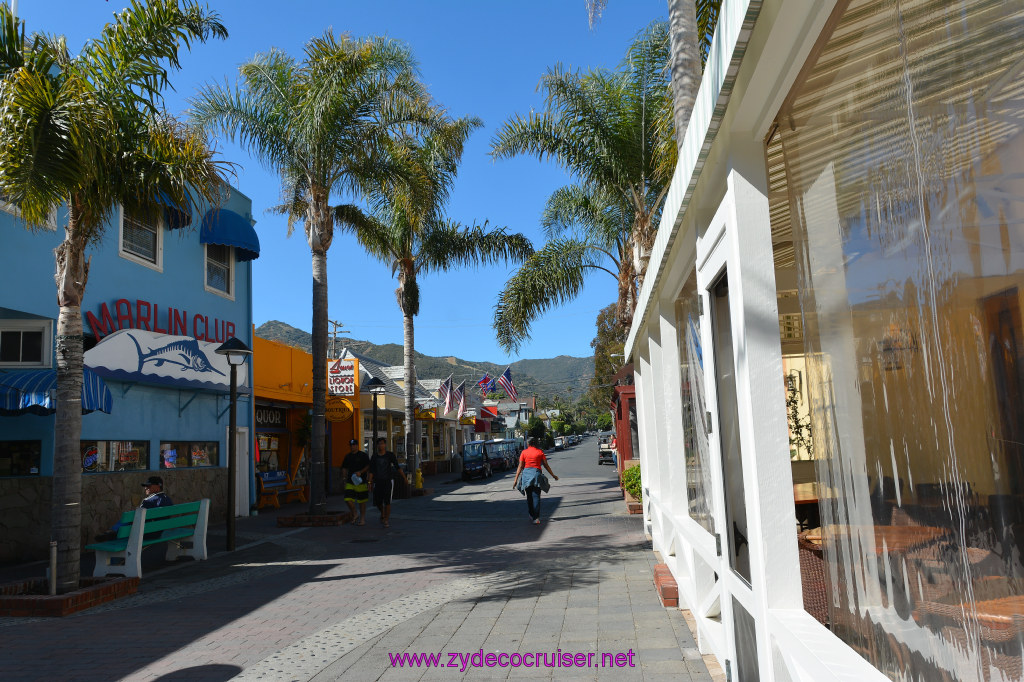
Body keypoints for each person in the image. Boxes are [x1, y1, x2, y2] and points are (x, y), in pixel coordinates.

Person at [511, 438, 558, 525]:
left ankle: (531, 514)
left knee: (529, 497)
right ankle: (536, 518)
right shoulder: (540, 452)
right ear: (535, 443)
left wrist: (515, 480)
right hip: (536, 475)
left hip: (526, 476)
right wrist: (553, 475)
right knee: (536, 497)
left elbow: (520, 466)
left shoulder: (524, 452)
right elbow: (546, 465)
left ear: (528, 444)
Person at [368, 437, 401, 528]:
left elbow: (397, 467)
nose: (381, 445)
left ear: (385, 445)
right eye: (379, 444)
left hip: (388, 481)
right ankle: (382, 512)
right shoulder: (374, 457)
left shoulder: (389, 455)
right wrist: (369, 482)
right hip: (377, 482)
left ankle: (386, 519)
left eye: (382, 443)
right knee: (378, 502)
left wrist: (404, 478)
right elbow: (371, 470)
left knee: (387, 501)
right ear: (377, 445)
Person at [341, 438, 370, 525]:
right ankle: (355, 513)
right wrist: (344, 479)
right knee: (347, 499)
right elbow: (344, 468)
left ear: (357, 445)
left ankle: (362, 519)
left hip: (361, 481)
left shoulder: (363, 455)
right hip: (350, 481)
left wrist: (361, 472)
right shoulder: (347, 456)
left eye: (354, 445)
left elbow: (368, 466)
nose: (352, 446)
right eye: (351, 445)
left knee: (362, 501)